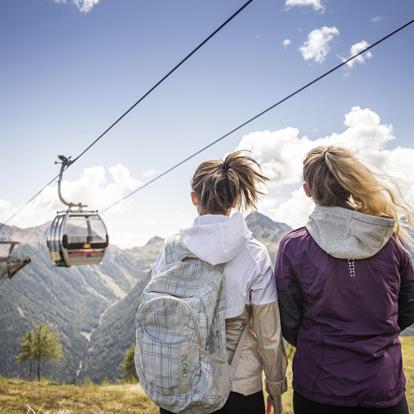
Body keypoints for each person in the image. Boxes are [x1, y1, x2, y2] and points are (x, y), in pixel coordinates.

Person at [275, 145, 414, 414]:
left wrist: (320, 340)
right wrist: (377, 333)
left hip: (319, 385)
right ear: (350, 185)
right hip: (383, 386)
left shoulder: (294, 246)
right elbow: (409, 304)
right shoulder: (389, 241)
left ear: (307, 190)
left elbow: (289, 320)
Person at [152, 151, 287, 414]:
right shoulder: (254, 254)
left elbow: (158, 319)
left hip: (181, 384)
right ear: (235, 200)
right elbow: (269, 334)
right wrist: (275, 386)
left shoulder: (170, 251)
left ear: (194, 198)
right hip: (239, 388)